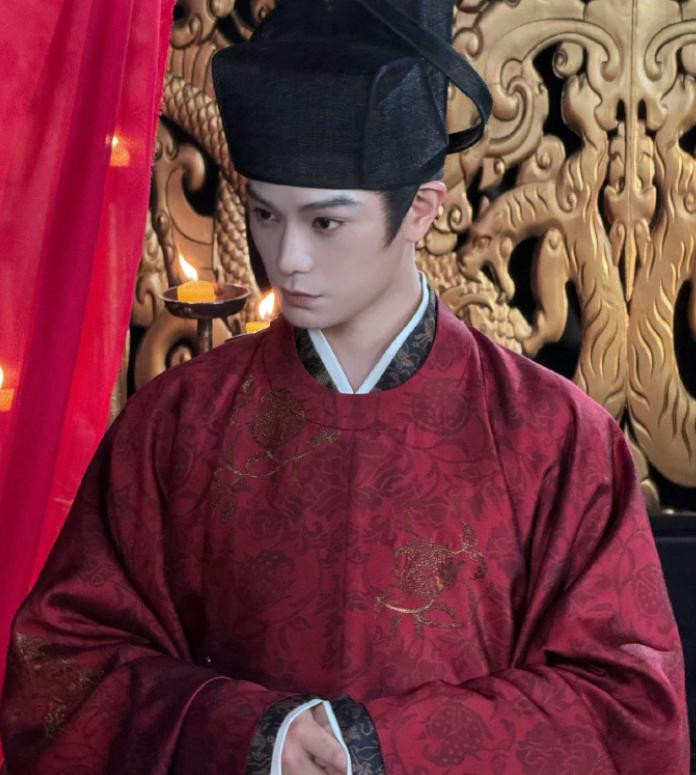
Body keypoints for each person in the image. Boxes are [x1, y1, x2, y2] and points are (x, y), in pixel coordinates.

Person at [0, 0, 690, 772]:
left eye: (325, 223)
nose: (287, 258)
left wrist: (376, 744)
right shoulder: (177, 421)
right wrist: (257, 734)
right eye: (266, 214)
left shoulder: (556, 436)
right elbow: (63, 670)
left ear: (420, 210)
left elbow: (628, 705)